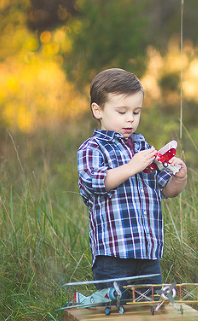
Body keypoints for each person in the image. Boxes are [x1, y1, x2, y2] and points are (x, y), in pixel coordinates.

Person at [77, 68, 187, 293]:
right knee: (117, 311)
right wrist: (131, 167)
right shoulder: (93, 148)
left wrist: (179, 177)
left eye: (136, 112)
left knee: (150, 311)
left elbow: (166, 189)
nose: (130, 119)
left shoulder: (142, 148)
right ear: (98, 110)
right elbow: (96, 182)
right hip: (114, 254)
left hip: (148, 252)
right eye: (121, 111)